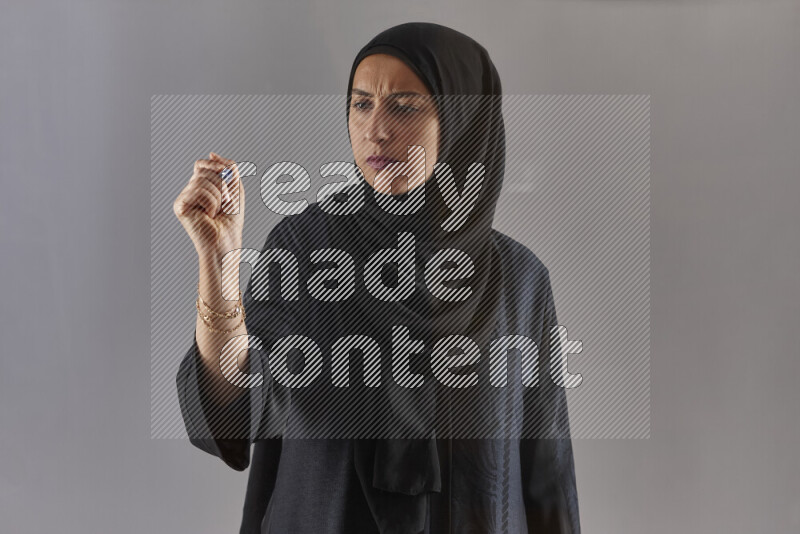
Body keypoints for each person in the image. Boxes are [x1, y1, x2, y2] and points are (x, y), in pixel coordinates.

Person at [173, 22, 580, 533]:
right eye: (361, 104)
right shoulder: (306, 249)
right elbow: (237, 409)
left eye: (404, 107)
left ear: (463, 121)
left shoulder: (519, 280)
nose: (376, 130)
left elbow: (547, 477)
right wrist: (218, 262)